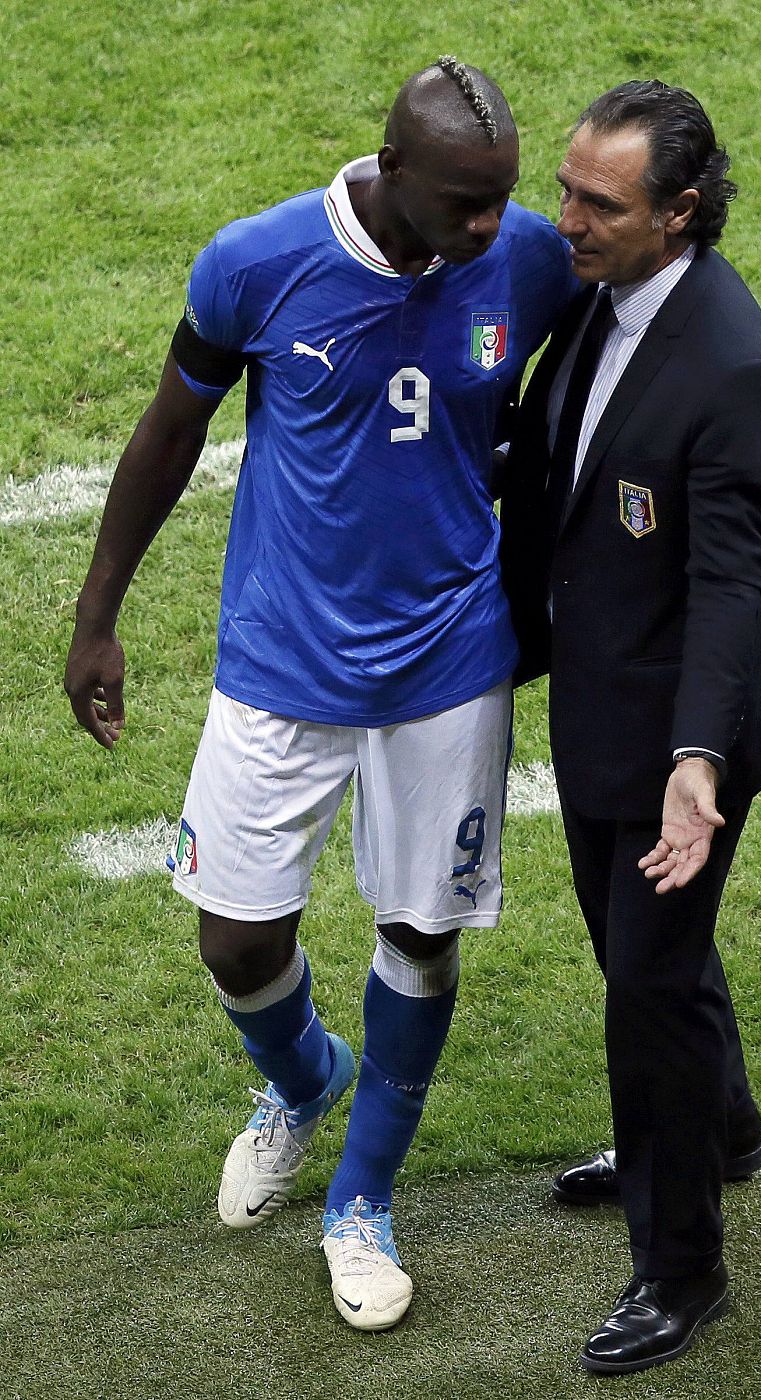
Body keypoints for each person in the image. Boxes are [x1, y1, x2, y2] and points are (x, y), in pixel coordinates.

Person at [64, 57, 573, 1332]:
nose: (488, 226)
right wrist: (97, 615)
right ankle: (302, 1080)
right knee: (235, 938)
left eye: (502, 199)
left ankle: (362, 1198)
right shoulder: (255, 263)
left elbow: (608, 357)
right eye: (464, 203)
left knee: (419, 932)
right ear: (392, 169)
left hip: (448, 659)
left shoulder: (522, 256)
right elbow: (168, 434)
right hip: (282, 659)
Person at [500, 81, 761, 1374]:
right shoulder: (601, 289)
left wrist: (693, 761)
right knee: (645, 957)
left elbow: (729, 582)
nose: (564, 220)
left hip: (680, 727)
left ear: (677, 212)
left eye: (597, 204)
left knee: (646, 988)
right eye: (565, 189)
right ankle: (717, 1130)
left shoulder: (731, 365)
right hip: (599, 700)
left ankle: (679, 1268)